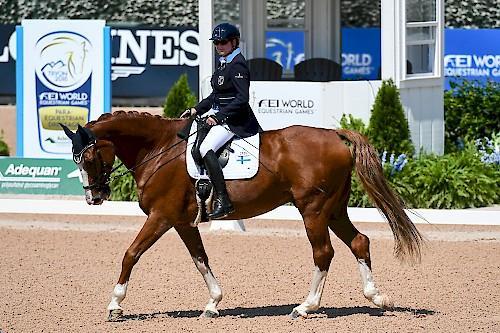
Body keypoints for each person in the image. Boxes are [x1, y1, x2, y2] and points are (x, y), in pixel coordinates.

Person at [181, 22, 262, 220]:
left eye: (223, 42)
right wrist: (196, 109)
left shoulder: (238, 64)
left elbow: (242, 98)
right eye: (216, 42)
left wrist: (218, 116)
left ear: (234, 42)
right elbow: (215, 97)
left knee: (204, 148)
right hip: (222, 116)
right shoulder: (224, 62)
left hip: (235, 120)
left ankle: (224, 201)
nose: (219, 45)